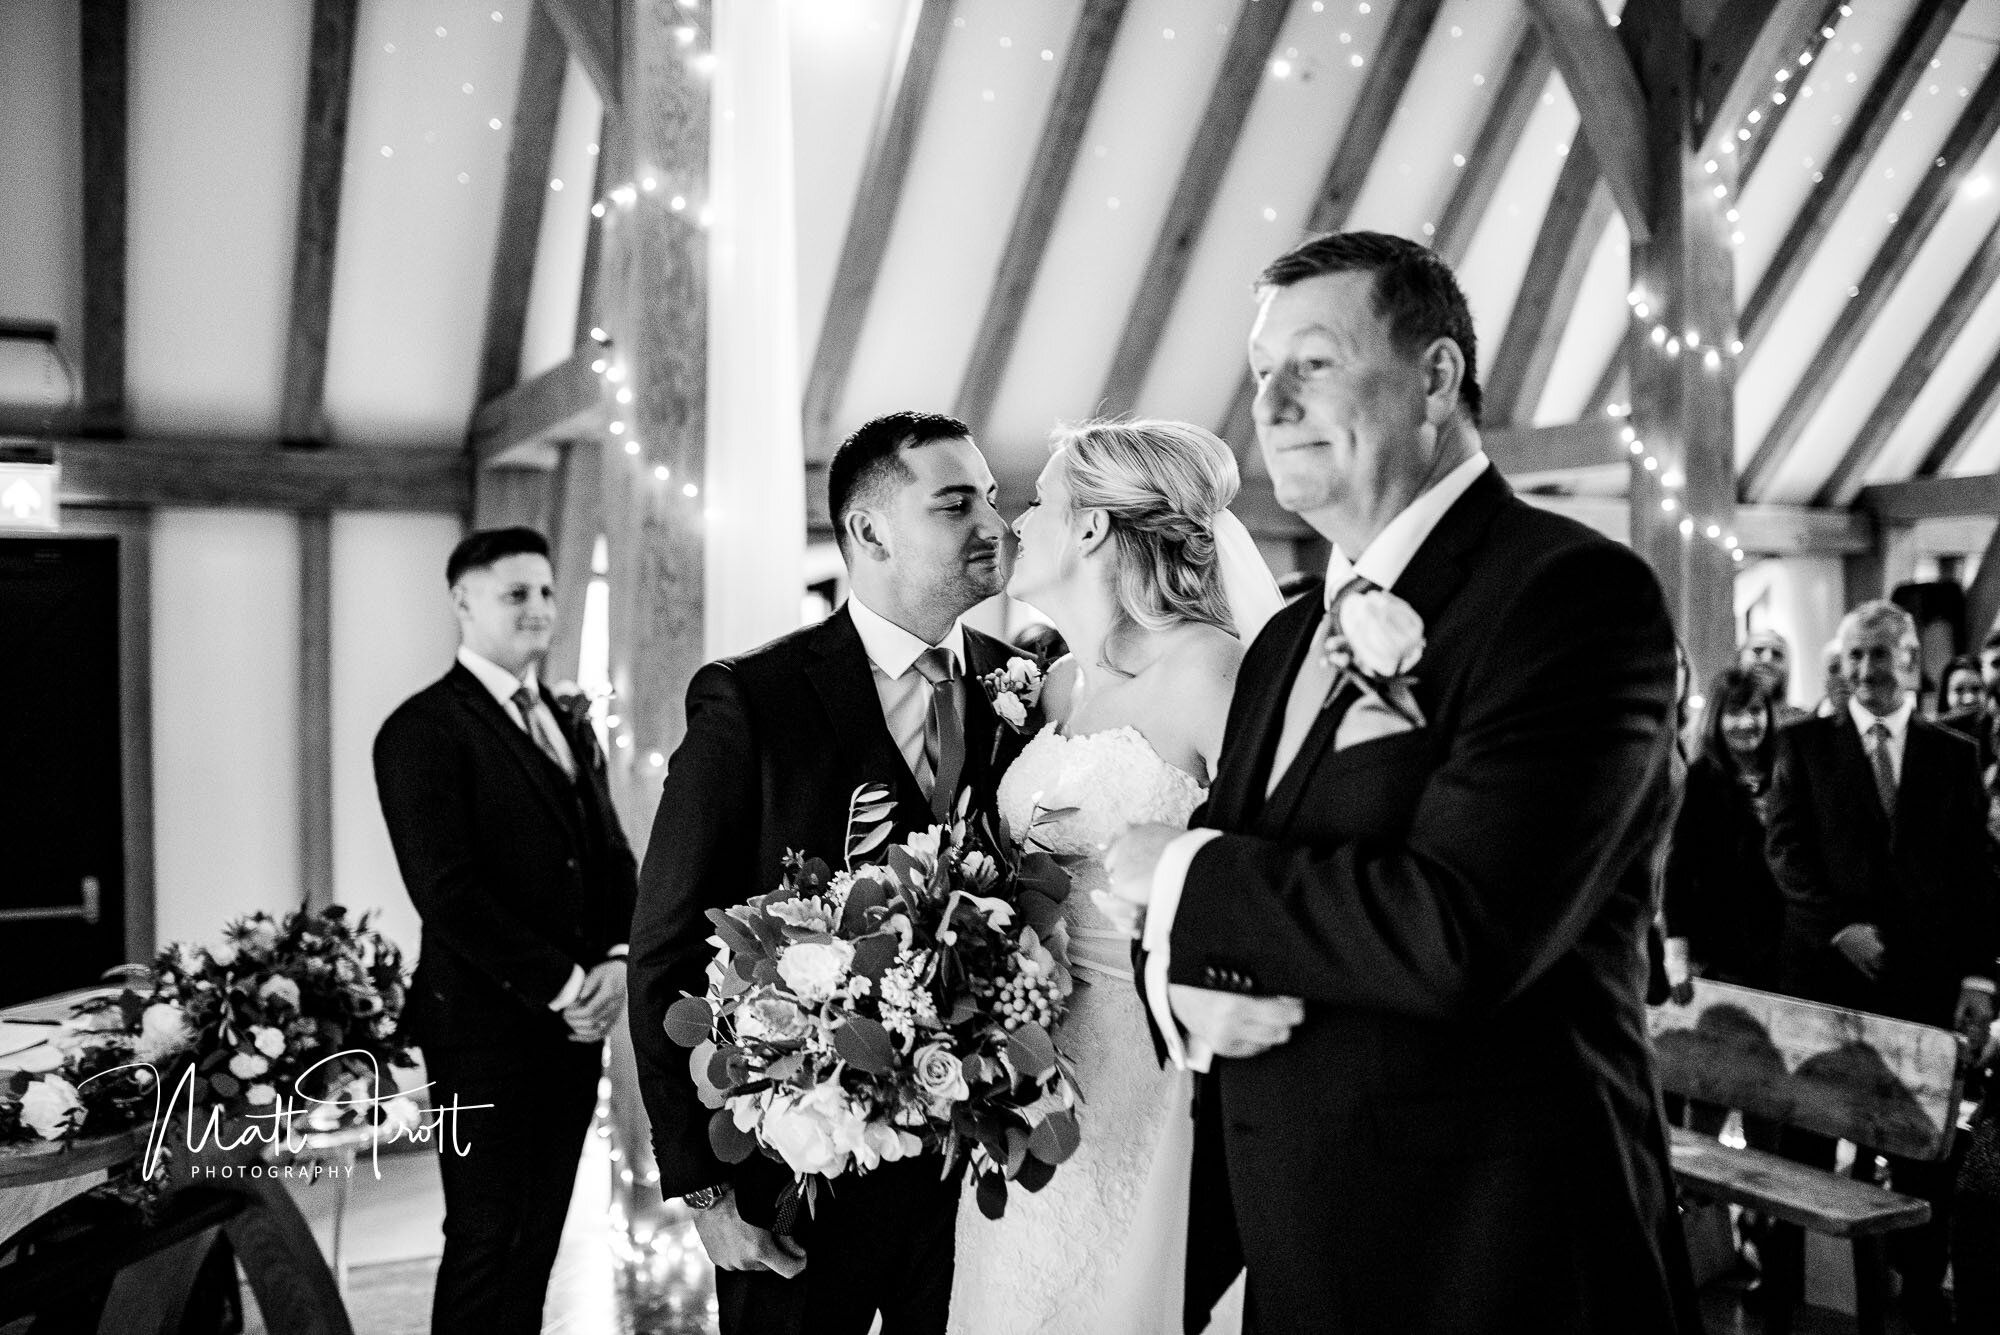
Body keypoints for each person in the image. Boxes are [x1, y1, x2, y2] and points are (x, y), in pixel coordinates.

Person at [1102, 231, 1698, 1333]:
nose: (1270, 404)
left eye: (1313, 363)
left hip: (1491, 1257)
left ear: (1434, 377)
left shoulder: (1566, 598)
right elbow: (1222, 920)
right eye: (1260, 372)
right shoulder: (1283, 639)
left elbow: (1462, 928)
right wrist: (1175, 983)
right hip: (1296, 1253)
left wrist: (1181, 878)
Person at [628, 411, 1027, 1335]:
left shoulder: (1022, 688)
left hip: (971, 1177)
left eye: (993, 500)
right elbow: (665, 945)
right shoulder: (752, 700)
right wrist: (702, 1186)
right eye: (956, 503)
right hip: (795, 1178)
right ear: (869, 530)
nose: (992, 525)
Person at [946, 419, 1281, 1335]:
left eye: (1042, 500)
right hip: (1027, 1069)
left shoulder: (1211, 670)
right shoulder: (1055, 686)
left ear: (1093, 528)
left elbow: (1275, 863)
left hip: (1151, 1065)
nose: (1017, 519)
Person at [372, 527, 636, 1335]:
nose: (539, 608)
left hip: (575, 1025)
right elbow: (447, 893)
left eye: (547, 591)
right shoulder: (421, 729)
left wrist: (619, 960)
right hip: (485, 1028)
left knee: (539, 1236)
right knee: (488, 1234)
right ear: (463, 600)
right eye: (516, 592)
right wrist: (567, 984)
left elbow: (612, 855)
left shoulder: (564, 718)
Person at [1765, 599, 2000, 1331]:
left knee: (1921, 1153)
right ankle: (1786, 1290)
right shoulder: (1803, 744)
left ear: (1910, 662)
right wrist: (1840, 927)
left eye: (1882, 654)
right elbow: (1786, 852)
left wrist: (1978, 977)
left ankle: (1922, 1291)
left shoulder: (1951, 753)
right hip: (1825, 981)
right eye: (1856, 655)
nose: (1868, 669)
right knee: (1805, 1145)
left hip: (1922, 982)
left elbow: (1974, 873)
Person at [1741, 628, 1808, 726]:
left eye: (1777, 654)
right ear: (1739, 658)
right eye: (1758, 650)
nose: (1767, 660)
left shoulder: (1801, 722)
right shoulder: (1721, 716)